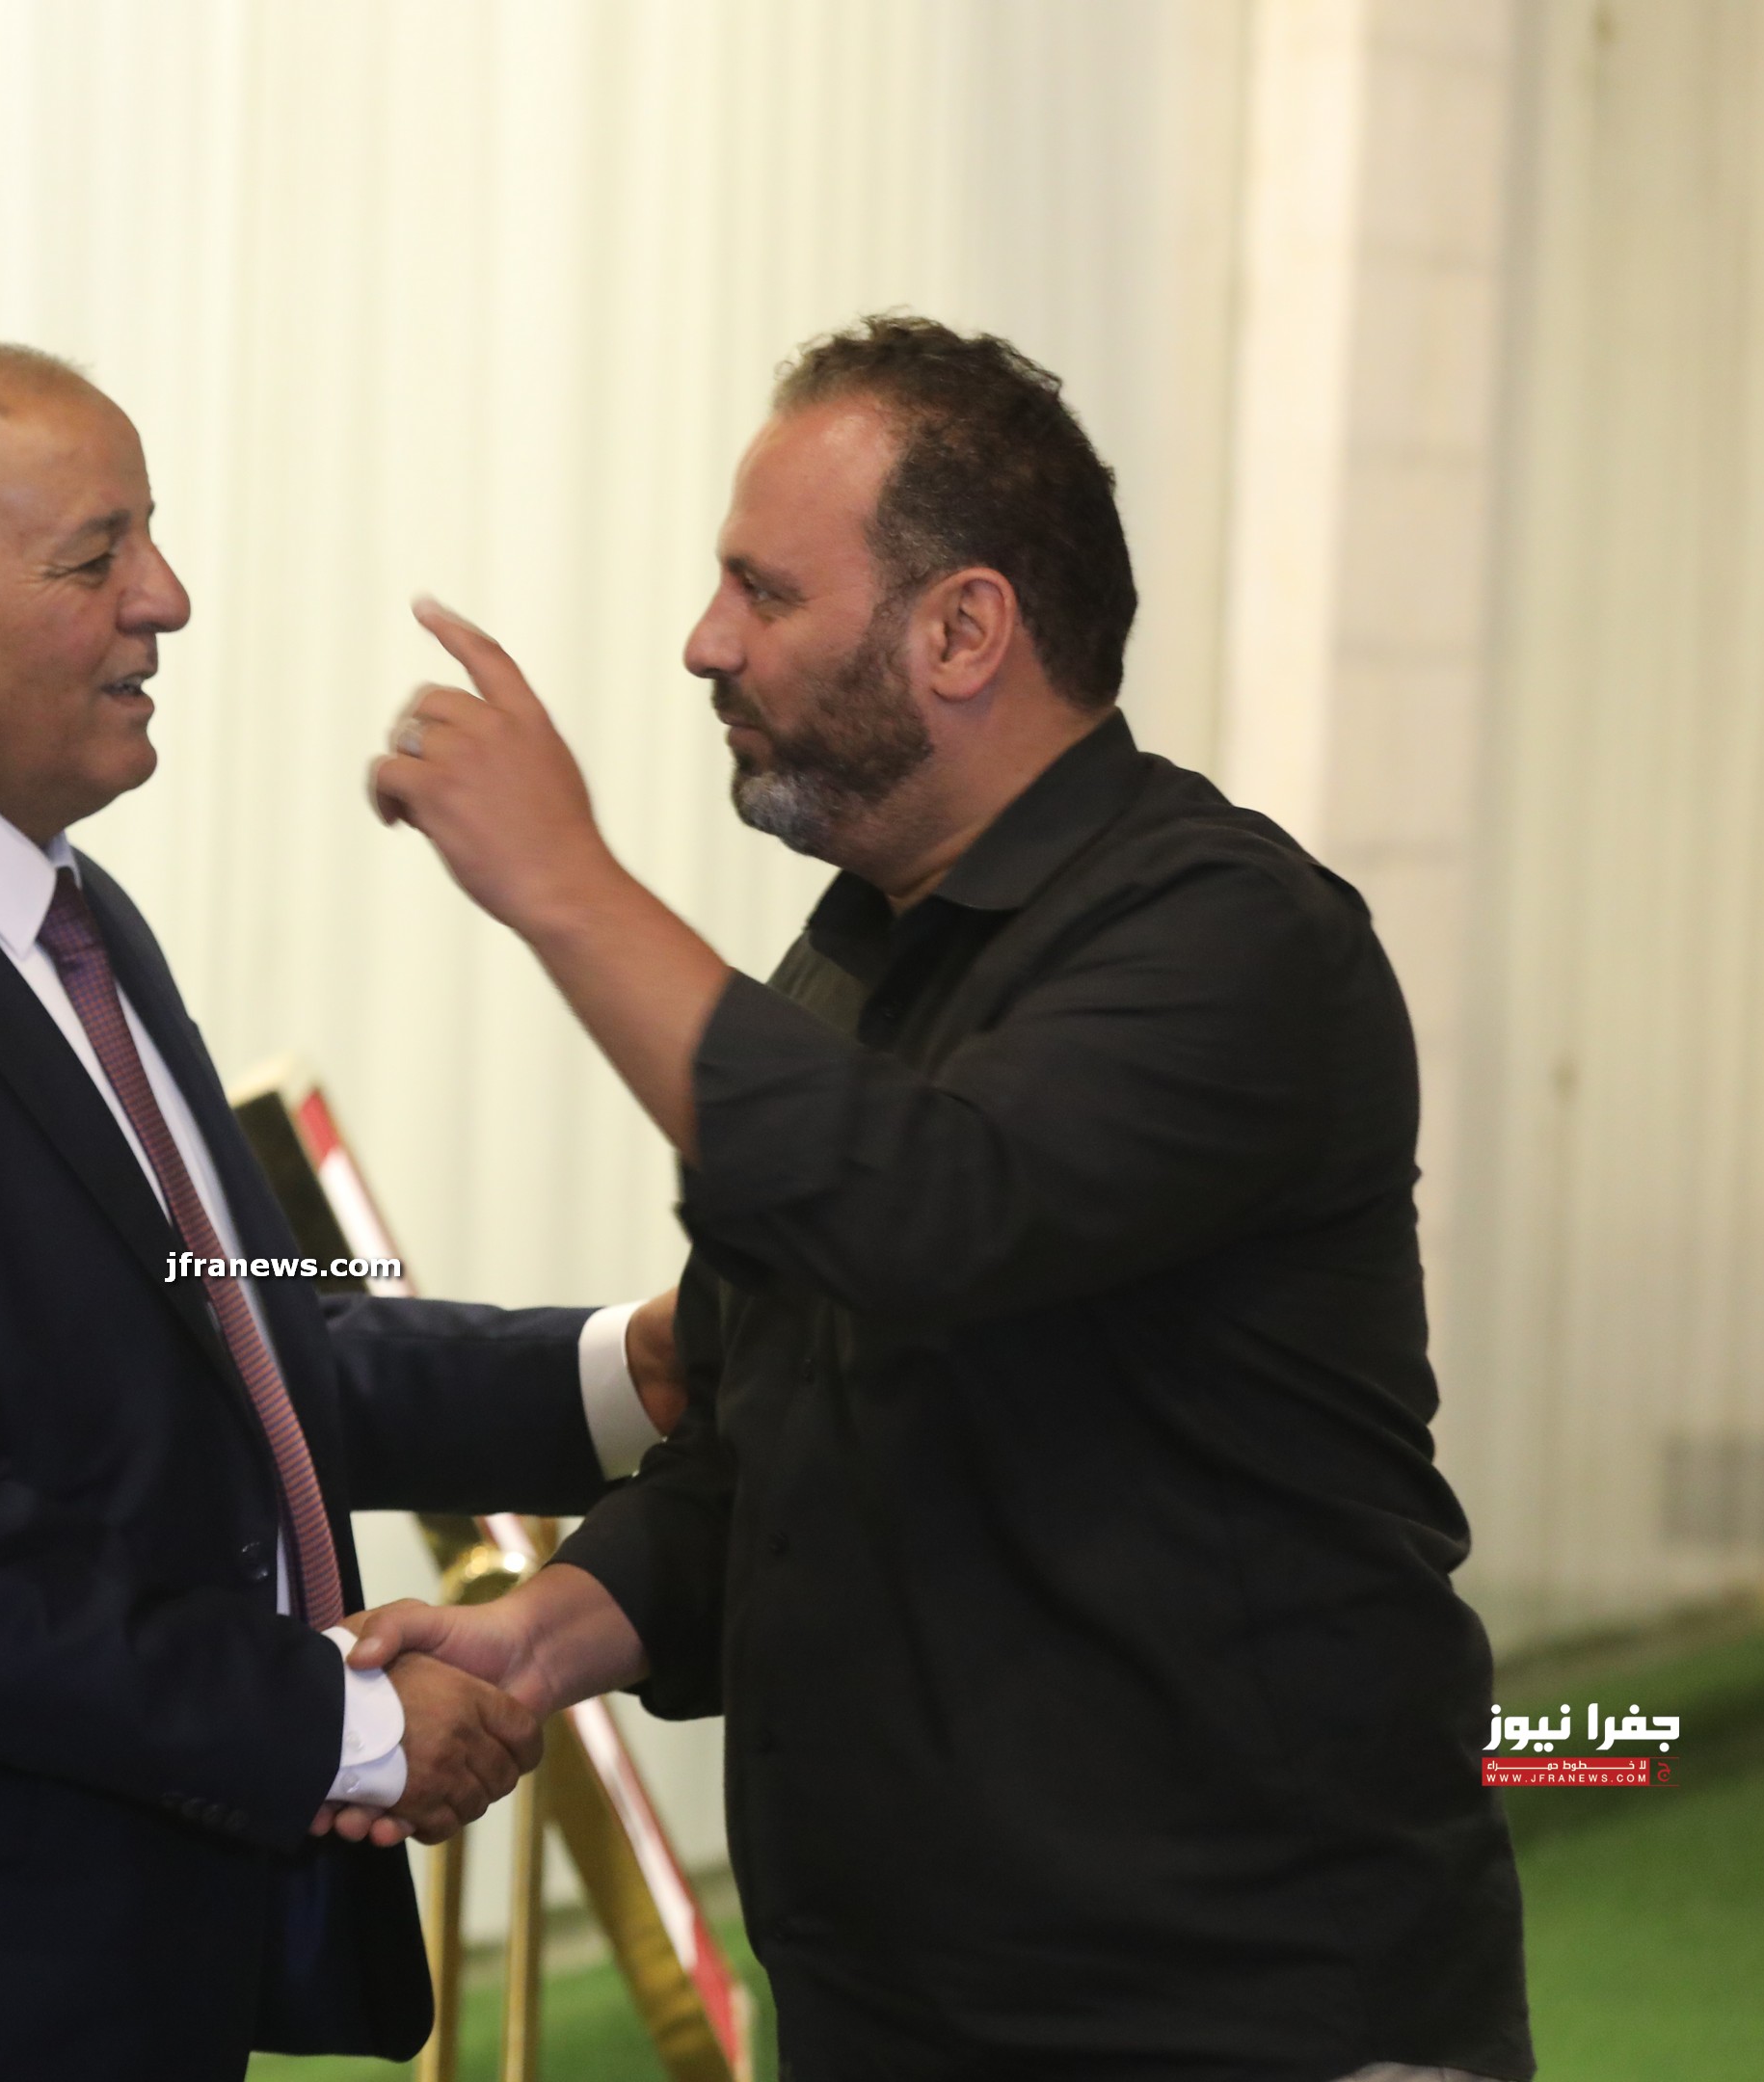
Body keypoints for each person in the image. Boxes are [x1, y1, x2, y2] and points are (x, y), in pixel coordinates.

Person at [348, 313, 1533, 2082]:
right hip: (901, 2015)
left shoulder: (1232, 936)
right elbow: (772, 1458)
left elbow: (934, 1219)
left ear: (965, 630)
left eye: (764, 592)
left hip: (1238, 2011)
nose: (705, 642)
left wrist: (566, 882)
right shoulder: (855, 957)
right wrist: (540, 1638)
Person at [0, 341, 681, 2081]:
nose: (168, 599)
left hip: (141, 1956)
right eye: (94, 557)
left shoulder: (66, 913)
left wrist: (621, 1371)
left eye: (153, 538)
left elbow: (242, 1339)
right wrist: (347, 1726)